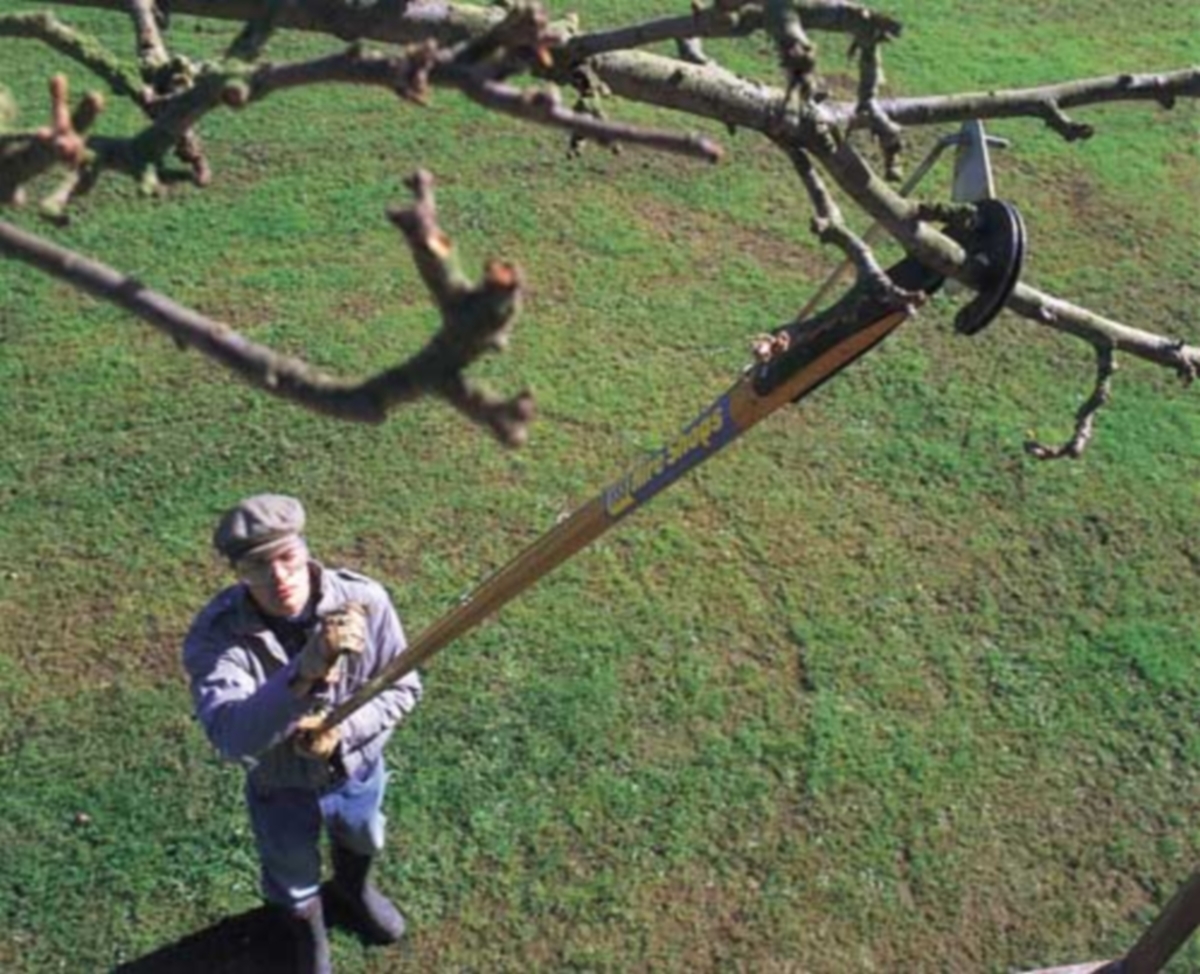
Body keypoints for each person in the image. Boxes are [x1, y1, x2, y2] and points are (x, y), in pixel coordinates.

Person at [183, 493, 422, 974]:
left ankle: (354, 890)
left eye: (287, 557)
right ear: (238, 573)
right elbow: (231, 736)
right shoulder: (218, 636)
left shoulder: (366, 601)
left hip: (357, 771)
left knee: (363, 834)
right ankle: (309, 937)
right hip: (280, 785)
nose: (279, 577)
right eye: (258, 567)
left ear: (306, 550)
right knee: (291, 872)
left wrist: (345, 729)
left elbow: (404, 685)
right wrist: (301, 674)